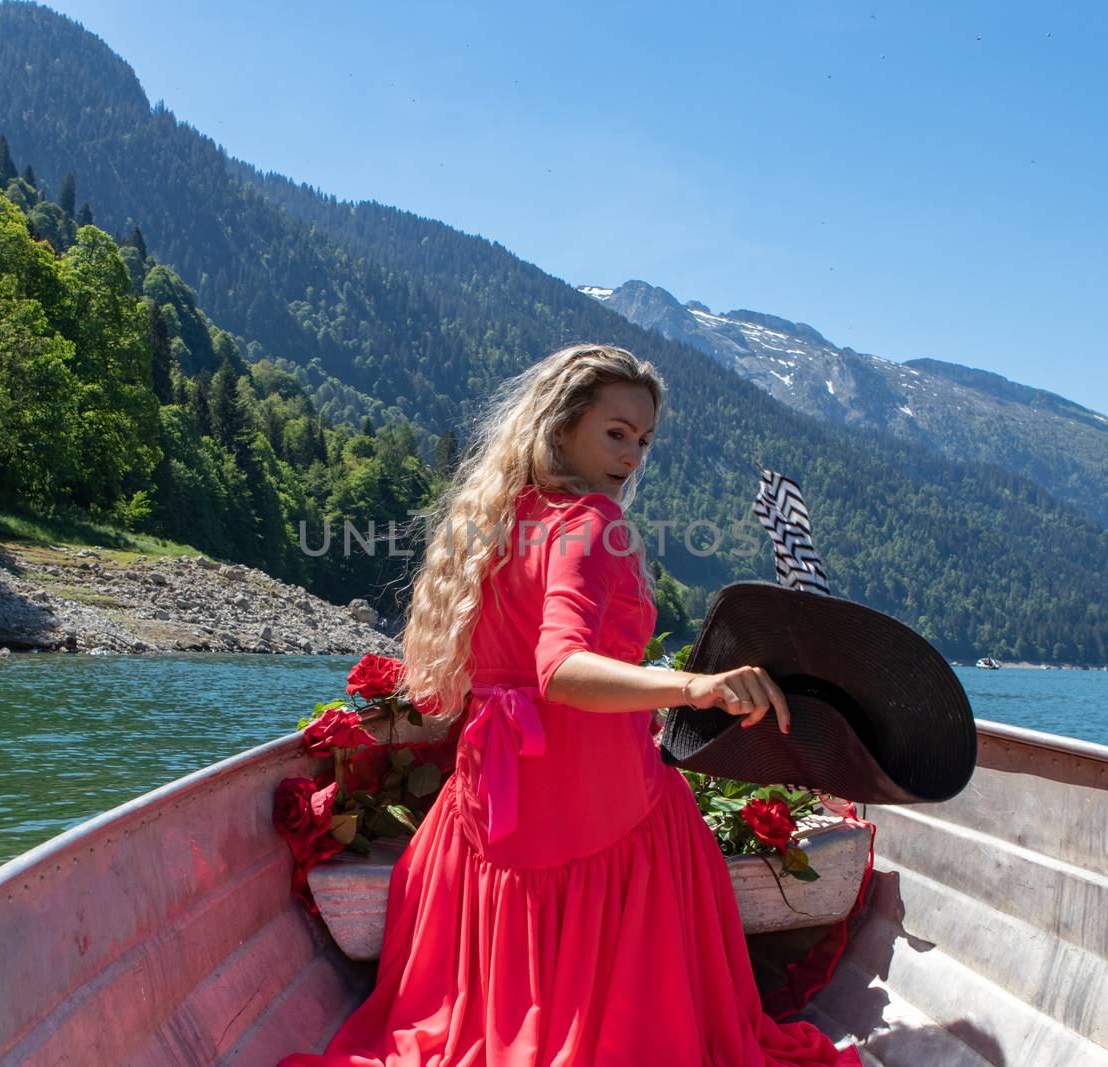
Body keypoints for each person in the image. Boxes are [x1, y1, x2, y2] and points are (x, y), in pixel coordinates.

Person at [278, 344, 858, 1066]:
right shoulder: (588, 523)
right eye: (616, 432)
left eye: (643, 439)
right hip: (601, 806)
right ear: (561, 425)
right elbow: (559, 669)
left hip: (497, 808)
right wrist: (693, 686)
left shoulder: (491, 521)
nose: (633, 455)